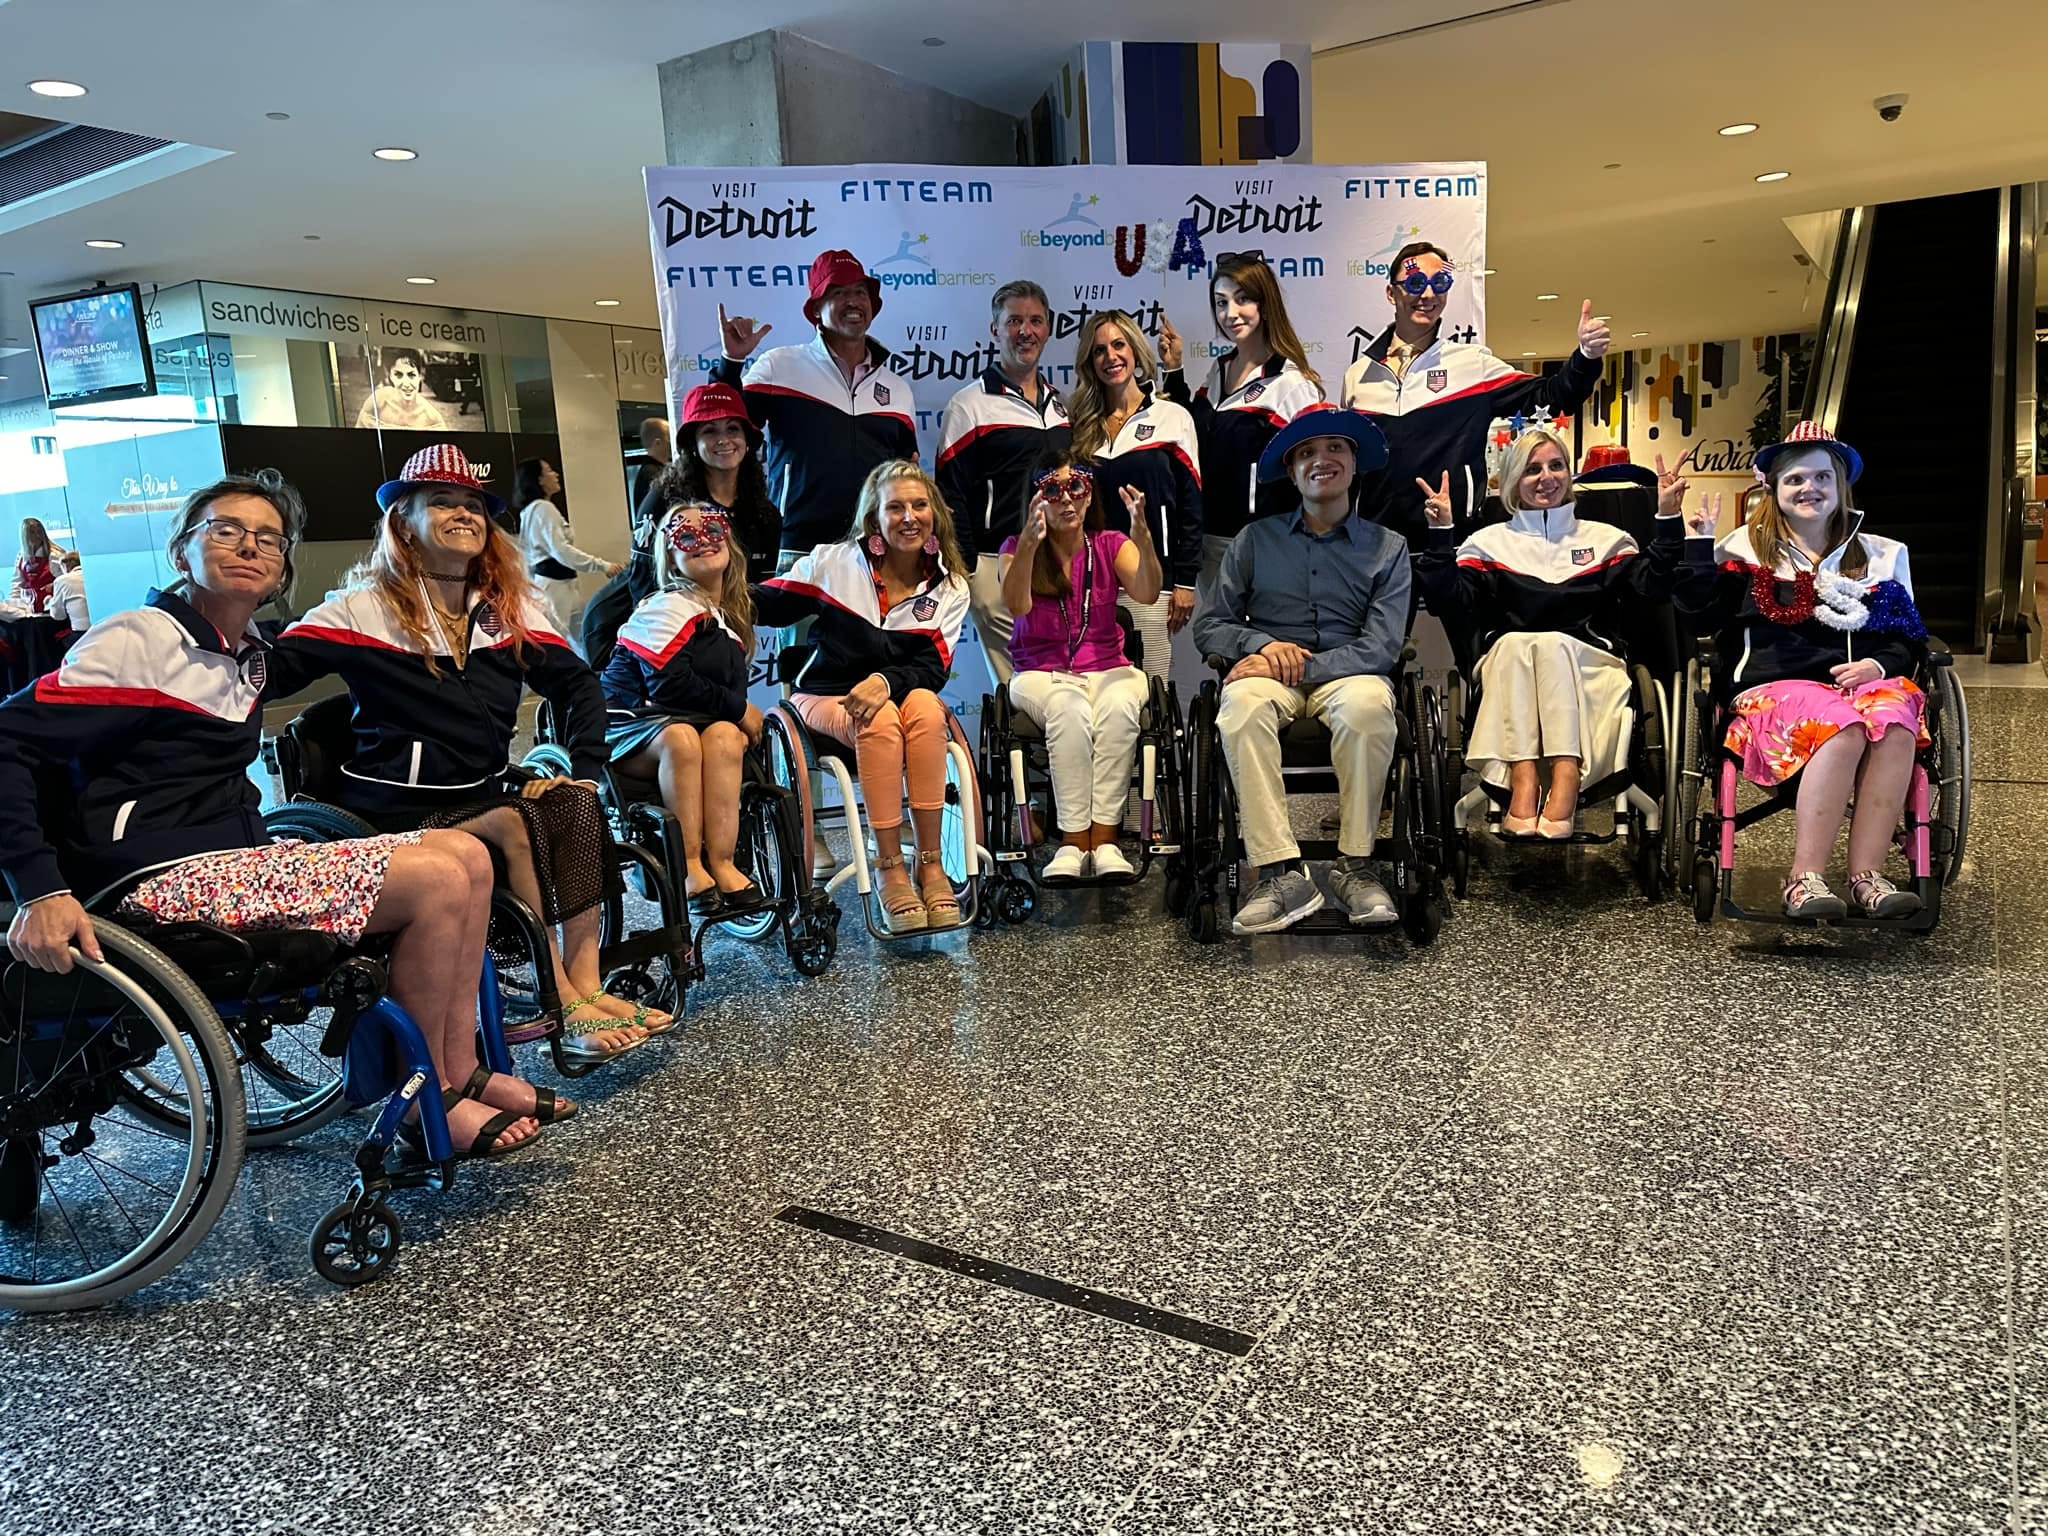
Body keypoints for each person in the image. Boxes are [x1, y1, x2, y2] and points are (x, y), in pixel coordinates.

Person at [0, 470, 553, 1159]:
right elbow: (10, 741)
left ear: (282, 567)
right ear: (182, 553)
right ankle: (426, 1095)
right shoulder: (139, 640)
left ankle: (461, 1067)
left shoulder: (246, 655)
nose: (248, 546)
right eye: (224, 530)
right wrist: (42, 888)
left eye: (268, 538)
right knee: (436, 881)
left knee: (466, 856)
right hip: (155, 875)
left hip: (237, 860)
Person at [278, 444, 664, 1060]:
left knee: (573, 802)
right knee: (513, 820)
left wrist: (584, 769)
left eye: (473, 506)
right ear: (403, 521)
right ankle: (558, 998)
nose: (463, 514)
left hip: (480, 792)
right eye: (442, 502)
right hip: (391, 813)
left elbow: (579, 684)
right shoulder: (361, 610)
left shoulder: (505, 612)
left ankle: (586, 983)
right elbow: (266, 673)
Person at [1673, 421, 1930, 920]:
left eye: (1820, 478)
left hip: (1862, 686)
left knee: (1896, 716)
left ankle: (1867, 877)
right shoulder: (1741, 550)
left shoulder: (1882, 555)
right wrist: (1699, 550)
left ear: (1839, 486)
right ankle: (1804, 881)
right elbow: (1699, 619)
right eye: (1795, 480)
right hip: (1771, 692)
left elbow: (1909, 641)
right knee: (1841, 722)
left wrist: (1878, 664)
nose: (1809, 489)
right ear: (1772, 489)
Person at [1192, 405, 1411, 933]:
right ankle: (1279, 872)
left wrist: (1303, 666)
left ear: (1354, 463)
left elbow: (1381, 647)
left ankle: (1355, 867)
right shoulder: (1253, 540)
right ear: (1291, 472)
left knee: (1368, 707)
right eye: (1307, 453)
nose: (1322, 460)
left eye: (1335, 448)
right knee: (1238, 705)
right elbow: (1210, 626)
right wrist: (1263, 645)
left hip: (1350, 672)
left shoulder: (1388, 548)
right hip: (1270, 677)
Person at [1417, 429, 1684, 836]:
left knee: (1552, 642)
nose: (1546, 477)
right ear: (1511, 482)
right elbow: (1448, 601)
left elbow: (1652, 589)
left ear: (1570, 475)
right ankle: (1524, 779)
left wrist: (1665, 519)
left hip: (1593, 669)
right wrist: (1441, 535)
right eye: (1532, 469)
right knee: (1523, 644)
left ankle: (1565, 775)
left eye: (1556, 466)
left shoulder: (1606, 540)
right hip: (1509, 667)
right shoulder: (1487, 543)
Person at [751, 460, 971, 935]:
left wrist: (885, 681)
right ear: (875, 518)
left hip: (898, 696)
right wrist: (706, 585)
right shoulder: (835, 562)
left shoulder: (950, 585)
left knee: (927, 709)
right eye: (895, 507)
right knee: (881, 720)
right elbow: (768, 603)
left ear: (935, 514)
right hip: (823, 697)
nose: (909, 517)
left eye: (919, 505)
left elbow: (932, 669)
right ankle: (889, 864)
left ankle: (930, 864)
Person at [1341, 242, 1610, 545]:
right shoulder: (1357, 377)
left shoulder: (1471, 365)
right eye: (1416, 283)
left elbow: (1553, 396)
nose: (1428, 295)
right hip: (1373, 544)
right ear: (1392, 293)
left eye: (1439, 283)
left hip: (1453, 540)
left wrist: (1585, 357)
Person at [999, 447, 1162, 882]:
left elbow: (1147, 592)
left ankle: (1105, 841)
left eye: (1076, 486)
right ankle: (1074, 842)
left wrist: (1142, 536)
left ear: (1090, 495)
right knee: (1069, 709)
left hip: (1109, 666)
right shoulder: (1015, 547)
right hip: (1039, 673)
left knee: (1118, 705)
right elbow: (1015, 605)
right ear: (1036, 499)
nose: (1066, 498)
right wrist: (1031, 545)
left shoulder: (1109, 544)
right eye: (1052, 489)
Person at [602, 502, 764, 915]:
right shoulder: (665, 607)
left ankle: (723, 862)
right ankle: (688, 863)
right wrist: (739, 707)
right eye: (686, 537)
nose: (702, 542)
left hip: (686, 723)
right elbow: (669, 684)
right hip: (628, 725)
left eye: (712, 530)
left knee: (726, 736)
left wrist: (735, 715)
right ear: (670, 557)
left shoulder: (726, 618)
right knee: (683, 739)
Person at [714, 250, 918, 567]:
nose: (853, 302)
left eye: (860, 293)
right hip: (798, 550)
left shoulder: (898, 389)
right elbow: (724, 428)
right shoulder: (779, 366)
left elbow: (906, 471)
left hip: (876, 552)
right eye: (838, 293)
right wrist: (731, 363)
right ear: (815, 310)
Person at [1158, 252, 1326, 601]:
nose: (1230, 313)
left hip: (1265, 547)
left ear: (1265, 304)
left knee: (1264, 650)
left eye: (1243, 299)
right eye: (1221, 303)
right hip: (1210, 545)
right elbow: (1194, 434)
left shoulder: (1290, 383)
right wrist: (1174, 371)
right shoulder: (1218, 372)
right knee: (1225, 649)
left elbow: (1321, 475)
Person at [935, 280, 1074, 686]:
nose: (1025, 331)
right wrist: (968, 570)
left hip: (1059, 561)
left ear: (1048, 329)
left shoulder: (1061, 404)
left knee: (1063, 679)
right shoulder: (969, 404)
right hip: (997, 562)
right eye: (1014, 321)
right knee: (1023, 684)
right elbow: (950, 494)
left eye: (1035, 321)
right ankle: (1024, 753)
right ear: (995, 329)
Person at [586, 383, 780, 671]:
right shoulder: (663, 500)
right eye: (710, 430)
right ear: (692, 442)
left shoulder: (765, 515)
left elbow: (753, 595)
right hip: (631, 632)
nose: (723, 439)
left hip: (711, 639)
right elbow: (644, 587)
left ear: (747, 439)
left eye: (732, 429)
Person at [1066, 310, 1203, 681]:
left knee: (1152, 692)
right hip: (1091, 584)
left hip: (1151, 580)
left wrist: (1185, 582)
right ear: (1088, 362)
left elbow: (1191, 506)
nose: (1110, 357)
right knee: (1097, 689)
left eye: (1118, 344)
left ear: (1135, 350)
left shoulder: (1172, 416)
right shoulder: (1078, 427)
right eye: (1098, 351)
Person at [516, 457, 620, 647]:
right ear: (539, 480)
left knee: (582, 638)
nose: (555, 475)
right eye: (549, 471)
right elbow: (561, 550)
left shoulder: (531, 511)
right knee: (560, 641)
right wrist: (602, 565)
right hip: (555, 588)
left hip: (560, 586)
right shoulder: (542, 508)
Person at [355, 347, 449, 431]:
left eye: (411, 375)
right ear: (390, 376)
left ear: (420, 376)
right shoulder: (377, 403)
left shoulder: (431, 417)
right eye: (398, 375)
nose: (406, 384)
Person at [12, 518, 64, 615]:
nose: (37, 536)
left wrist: (54, 585)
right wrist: (14, 606)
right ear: (25, 535)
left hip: (51, 609)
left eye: (39, 532)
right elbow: (17, 586)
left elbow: (66, 581)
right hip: (29, 611)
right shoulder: (21, 557)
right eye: (32, 532)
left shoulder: (54, 555)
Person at [631, 416, 672, 513]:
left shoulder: (653, 470)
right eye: (669, 438)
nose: (672, 442)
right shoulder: (652, 474)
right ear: (657, 443)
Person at [48, 549, 88, 635]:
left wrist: (50, 601)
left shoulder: (61, 580)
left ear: (66, 566)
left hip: (80, 633)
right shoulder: (92, 575)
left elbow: (58, 616)